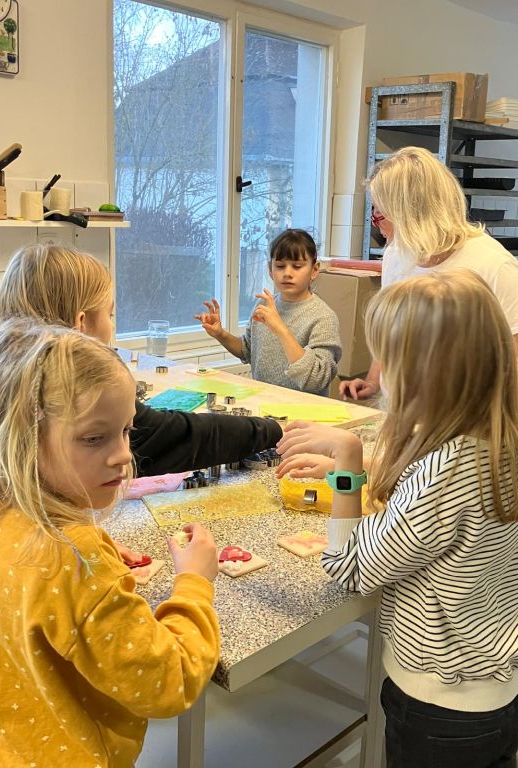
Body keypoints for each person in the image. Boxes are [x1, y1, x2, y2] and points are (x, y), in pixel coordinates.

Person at [0, 320, 220, 767]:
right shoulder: (74, 560)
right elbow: (171, 681)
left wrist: (97, 562)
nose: (124, 454)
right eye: (94, 438)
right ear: (22, 440)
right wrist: (194, 583)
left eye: (127, 430)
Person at [280, 271, 518, 767]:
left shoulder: (444, 473)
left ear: (427, 373)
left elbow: (348, 567)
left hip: (438, 707)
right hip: (495, 687)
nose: (380, 372)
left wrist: (348, 465)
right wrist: (364, 465)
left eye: (388, 359)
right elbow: (434, 493)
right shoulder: (499, 438)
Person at [0, 244, 283, 476]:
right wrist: (275, 430)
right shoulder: (82, 392)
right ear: (80, 325)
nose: (111, 326)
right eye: (109, 314)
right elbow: (183, 437)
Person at [339, 145, 518, 401]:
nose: (376, 223)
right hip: (403, 408)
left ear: (410, 213)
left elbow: (513, 367)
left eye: (380, 213)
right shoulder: (397, 253)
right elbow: (392, 330)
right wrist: (373, 380)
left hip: (460, 415)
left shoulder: (494, 266)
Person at [195, 229, 341, 396]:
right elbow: (248, 350)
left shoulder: (323, 317)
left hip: (303, 410)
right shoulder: (264, 304)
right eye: (280, 266)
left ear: (314, 270)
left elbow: (316, 379)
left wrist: (280, 328)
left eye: (297, 266)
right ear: (271, 270)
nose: (287, 273)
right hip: (263, 404)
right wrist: (220, 334)